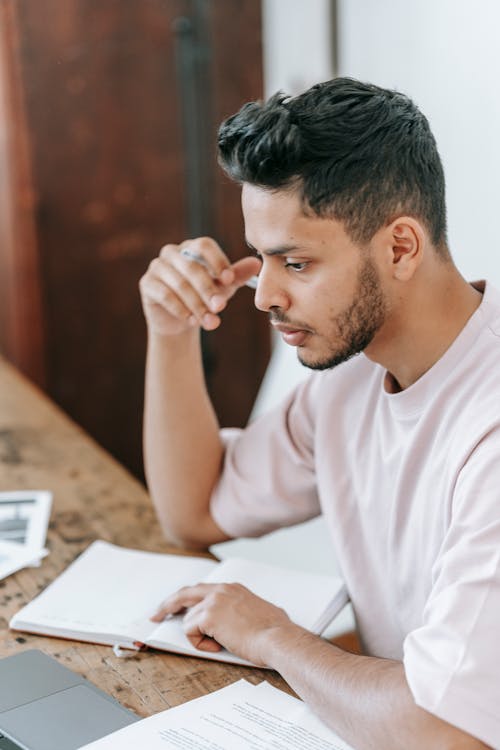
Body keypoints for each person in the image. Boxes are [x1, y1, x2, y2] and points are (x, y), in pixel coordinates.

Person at [139, 78, 500, 750]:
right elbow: (194, 508)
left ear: (399, 247)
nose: (264, 295)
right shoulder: (352, 375)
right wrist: (170, 330)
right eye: (265, 257)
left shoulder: (490, 427)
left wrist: (275, 637)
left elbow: (446, 731)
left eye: (296, 262)